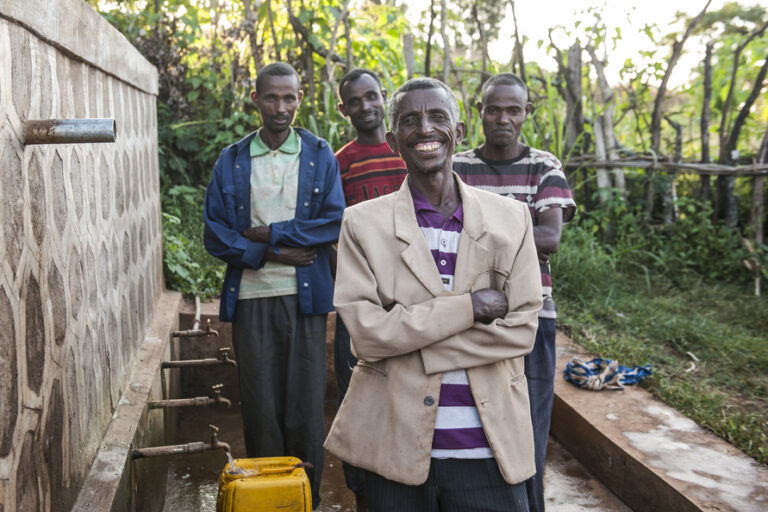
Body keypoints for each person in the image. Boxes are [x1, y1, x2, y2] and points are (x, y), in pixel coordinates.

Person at [324, 77, 543, 511]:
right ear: (392, 141)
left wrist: (409, 341)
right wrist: (470, 308)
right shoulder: (362, 224)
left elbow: (522, 332)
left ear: (459, 133)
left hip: (490, 450)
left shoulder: (512, 219)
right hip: (396, 448)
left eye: (438, 117)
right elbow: (367, 337)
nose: (425, 129)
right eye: (410, 120)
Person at [203, 62, 345, 509]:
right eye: (271, 97)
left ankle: (306, 499)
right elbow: (215, 233)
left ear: (300, 99)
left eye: (289, 98)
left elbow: (331, 222)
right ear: (255, 100)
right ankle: (269, 500)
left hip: (305, 301)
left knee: (305, 408)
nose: (280, 107)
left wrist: (269, 234)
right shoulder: (233, 159)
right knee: (261, 407)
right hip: (251, 299)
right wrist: (273, 253)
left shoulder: (320, 154)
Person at [453, 72, 576, 512]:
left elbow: (550, 238)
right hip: (467, 315)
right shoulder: (458, 167)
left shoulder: (544, 168)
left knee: (529, 422)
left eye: (513, 109)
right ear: (479, 111)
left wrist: (478, 237)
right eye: (493, 108)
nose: (503, 118)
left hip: (531, 315)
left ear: (527, 113)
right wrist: (515, 232)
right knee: (475, 421)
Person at [333, 68, 407, 511]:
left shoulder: (407, 152)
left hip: (412, 296)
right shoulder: (341, 161)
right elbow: (334, 232)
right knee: (356, 389)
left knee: (409, 385)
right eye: (354, 101)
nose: (365, 107)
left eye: (371, 97)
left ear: (385, 96)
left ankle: (408, 476)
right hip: (363, 298)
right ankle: (362, 488)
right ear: (343, 109)